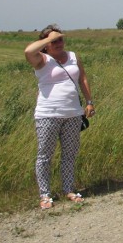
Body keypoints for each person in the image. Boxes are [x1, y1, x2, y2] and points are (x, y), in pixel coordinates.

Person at [24, 24, 95, 209]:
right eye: (53, 41)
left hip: (72, 113)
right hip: (48, 114)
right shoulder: (41, 59)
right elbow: (27, 50)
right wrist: (48, 39)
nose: (58, 43)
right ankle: (45, 194)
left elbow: (83, 78)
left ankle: (69, 189)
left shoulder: (73, 56)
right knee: (44, 156)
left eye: (60, 39)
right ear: (45, 43)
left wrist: (89, 101)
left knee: (70, 154)